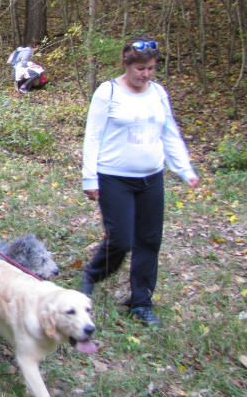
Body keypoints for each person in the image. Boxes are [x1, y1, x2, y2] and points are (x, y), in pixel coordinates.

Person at [80, 37, 200, 328]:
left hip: (151, 178)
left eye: (150, 69)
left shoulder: (158, 93)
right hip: (114, 178)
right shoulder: (107, 92)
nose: (145, 74)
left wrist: (184, 169)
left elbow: (169, 132)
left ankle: (141, 301)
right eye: (140, 69)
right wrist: (89, 177)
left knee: (149, 241)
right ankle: (92, 275)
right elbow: (93, 135)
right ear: (126, 64)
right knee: (120, 239)